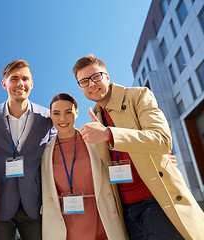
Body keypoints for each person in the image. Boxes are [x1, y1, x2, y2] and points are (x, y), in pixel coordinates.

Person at [73, 54, 204, 240]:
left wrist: (109, 134)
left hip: (155, 201)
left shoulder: (138, 96)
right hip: (124, 210)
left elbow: (162, 139)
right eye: (84, 82)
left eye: (96, 77)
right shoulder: (95, 117)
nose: (91, 84)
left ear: (107, 76)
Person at [0, 60, 56, 240]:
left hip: (35, 204)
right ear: (4, 84)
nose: (20, 83)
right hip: (0, 203)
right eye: (14, 79)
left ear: (32, 84)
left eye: (25, 79)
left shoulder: (47, 118)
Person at [41, 93, 128, 240]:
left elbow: (122, 157)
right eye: (56, 113)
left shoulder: (94, 140)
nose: (62, 119)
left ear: (77, 112)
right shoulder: (45, 152)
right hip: (66, 226)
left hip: (102, 218)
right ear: (51, 115)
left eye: (68, 112)